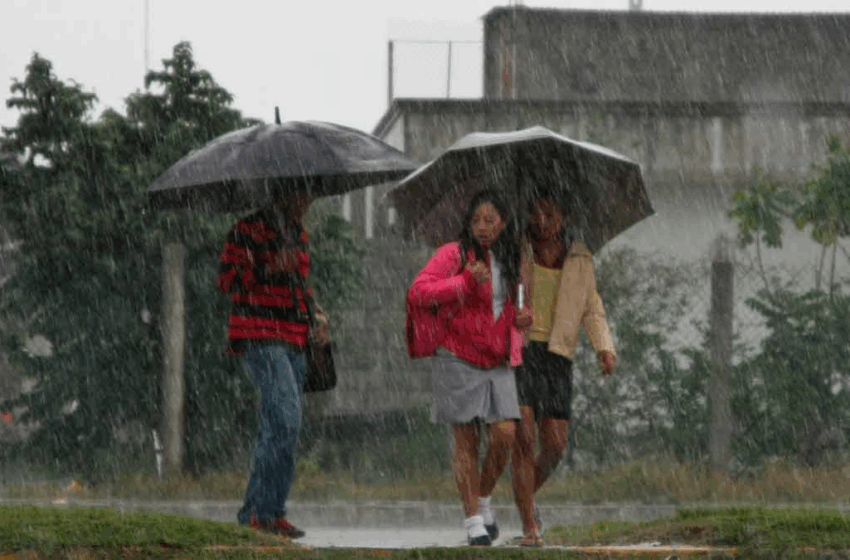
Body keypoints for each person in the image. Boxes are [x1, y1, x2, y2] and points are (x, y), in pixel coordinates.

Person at [406, 190, 533, 546]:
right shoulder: (454, 254)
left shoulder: (513, 258)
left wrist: (524, 318)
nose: (482, 227)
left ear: (504, 223)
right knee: (466, 442)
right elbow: (418, 292)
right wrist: (463, 282)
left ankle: (483, 496)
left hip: (497, 359)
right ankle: (474, 521)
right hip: (457, 357)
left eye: (490, 220)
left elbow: (520, 310)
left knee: (506, 433)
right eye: (476, 220)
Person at [217, 189, 329, 539]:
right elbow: (227, 280)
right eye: (300, 195)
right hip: (261, 334)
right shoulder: (246, 230)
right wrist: (267, 266)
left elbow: (299, 283)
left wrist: (316, 313)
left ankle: (268, 511)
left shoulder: (298, 234)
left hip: (295, 335)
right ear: (282, 193)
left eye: (308, 197)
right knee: (285, 420)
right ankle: (256, 510)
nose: (305, 202)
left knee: (280, 426)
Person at [510, 191, 616, 547]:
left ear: (563, 217)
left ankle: (525, 496)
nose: (543, 221)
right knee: (523, 437)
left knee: (554, 444)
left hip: (558, 353)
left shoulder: (580, 257)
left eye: (550, 214)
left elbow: (592, 306)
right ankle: (530, 526)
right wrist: (512, 315)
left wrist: (604, 346)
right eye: (537, 213)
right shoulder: (515, 251)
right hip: (521, 351)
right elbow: (496, 297)